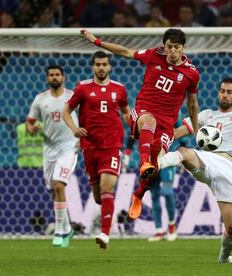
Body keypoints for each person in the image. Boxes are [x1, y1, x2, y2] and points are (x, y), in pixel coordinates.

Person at [159, 56, 232, 263]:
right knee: (184, 151)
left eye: (229, 92)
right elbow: (179, 131)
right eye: (222, 91)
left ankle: (223, 260)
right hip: (208, 161)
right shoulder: (205, 115)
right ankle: (157, 163)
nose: (225, 95)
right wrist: (159, 139)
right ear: (218, 92)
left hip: (229, 170)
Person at [81, 28, 200, 221]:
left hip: (166, 124)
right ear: (164, 45)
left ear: (183, 47)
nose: (172, 52)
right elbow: (126, 52)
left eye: (176, 48)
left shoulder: (191, 74)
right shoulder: (154, 55)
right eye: (169, 47)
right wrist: (97, 42)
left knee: (158, 159)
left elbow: (192, 104)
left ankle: (138, 194)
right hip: (142, 113)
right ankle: (144, 161)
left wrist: (195, 128)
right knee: (149, 122)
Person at [63, 51, 130, 249]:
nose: (101, 67)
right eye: (98, 64)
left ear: (110, 67)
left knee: (107, 187)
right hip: (89, 146)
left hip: (112, 145)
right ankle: (106, 219)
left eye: (104, 64)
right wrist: (75, 129)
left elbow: (126, 112)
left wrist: (134, 128)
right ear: (93, 67)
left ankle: (105, 234)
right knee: (99, 196)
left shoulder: (120, 89)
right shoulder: (83, 88)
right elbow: (66, 110)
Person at [26, 65, 77, 247]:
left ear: (64, 77)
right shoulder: (40, 100)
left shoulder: (73, 97)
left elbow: (85, 118)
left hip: (69, 147)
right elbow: (29, 123)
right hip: (49, 150)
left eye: (57, 74)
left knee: (58, 185)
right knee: (54, 190)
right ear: (47, 79)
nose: (54, 77)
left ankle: (59, 230)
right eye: (51, 75)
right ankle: (68, 228)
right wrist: (31, 129)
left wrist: (81, 137)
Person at [149, 111, 187, 242]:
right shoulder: (145, 109)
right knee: (154, 194)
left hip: (168, 158)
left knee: (166, 191)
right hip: (150, 158)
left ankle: (171, 225)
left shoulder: (174, 111)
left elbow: (181, 134)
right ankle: (159, 230)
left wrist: (183, 156)